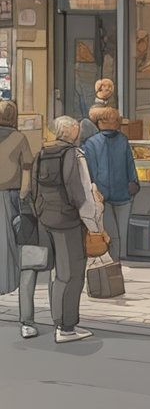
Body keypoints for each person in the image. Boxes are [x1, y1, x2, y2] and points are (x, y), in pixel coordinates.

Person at [25, 116, 103, 342]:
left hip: (46, 220)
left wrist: (40, 212)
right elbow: (82, 193)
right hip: (69, 222)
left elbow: (32, 188)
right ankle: (66, 328)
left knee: (58, 276)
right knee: (72, 275)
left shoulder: (41, 153)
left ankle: (58, 321)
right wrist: (93, 223)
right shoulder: (75, 155)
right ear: (73, 133)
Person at [82, 105, 139, 263]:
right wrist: (133, 184)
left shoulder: (90, 143)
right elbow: (130, 167)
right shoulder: (123, 140)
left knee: (109, 234)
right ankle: (118, 261)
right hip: (123, 193)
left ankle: (113, 263)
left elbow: (90, 172)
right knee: (121, 232)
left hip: (101, 196)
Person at [1, 99, 34, 298]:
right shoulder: (19, 138)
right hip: (11, 193)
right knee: (10, 241)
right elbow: (27, 169)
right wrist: (24, 194)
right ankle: (8, 282)